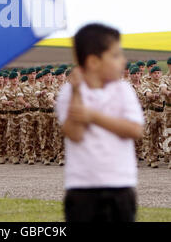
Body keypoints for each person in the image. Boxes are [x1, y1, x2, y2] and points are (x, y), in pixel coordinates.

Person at [56, 23, 144, 222]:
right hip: (82, 187)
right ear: (94, 62)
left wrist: (93, 116)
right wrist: (77, 91)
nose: (123, 60)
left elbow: (134, 129)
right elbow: (75, 134)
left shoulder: (123, 90)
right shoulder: (68, 93)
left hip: (120, 185)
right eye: (115, 55)